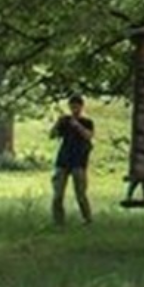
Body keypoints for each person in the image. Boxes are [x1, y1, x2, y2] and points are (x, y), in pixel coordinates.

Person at [50, 94, 95, 226]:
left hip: (79, 161)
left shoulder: (87, 122)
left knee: (81, 194)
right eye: (72, 106)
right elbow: (52, 135)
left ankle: (87, 219)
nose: (74, 109)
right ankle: (58, 222)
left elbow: (89, 136)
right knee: (57, 194)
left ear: (81, 107)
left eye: (77, 106)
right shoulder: (65, 121)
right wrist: (57, 123)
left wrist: (77, 125)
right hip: (63, 160)